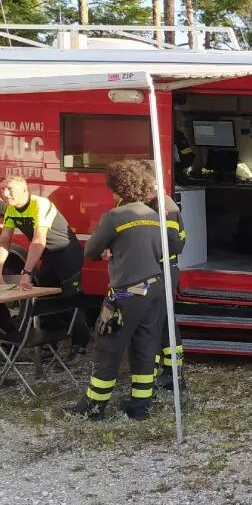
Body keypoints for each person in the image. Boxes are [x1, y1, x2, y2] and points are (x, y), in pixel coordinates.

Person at [64, 161, 179, 421]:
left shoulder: (115, 217)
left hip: (126, 292)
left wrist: (111, 249)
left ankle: (94, 407)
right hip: (155, 288)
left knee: (108, 344)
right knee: (146, 345)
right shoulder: (155, 215)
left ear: (118, 189)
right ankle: (140, 406)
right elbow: (168, 247)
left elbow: (91, 251)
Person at [0, 175, 89, 357]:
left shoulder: (40, 204)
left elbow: (38, 240)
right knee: (45, 300)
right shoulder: (11, 210)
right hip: (48, 254)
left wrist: (27, 271)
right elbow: (4, 241)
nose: (5, 193)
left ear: (24, 189)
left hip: (67, 252)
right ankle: (50, 345)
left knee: (71, 298)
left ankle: (80, 344)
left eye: (10, 189)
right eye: (2, 189)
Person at [140, 160, 186, 393]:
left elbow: (175, 244)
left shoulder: (164, 206)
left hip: (164, 271)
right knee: (161, 323)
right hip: (156, 271)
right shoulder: (148, 203)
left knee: (162, 323)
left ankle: (172, 374)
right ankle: (166, 372)